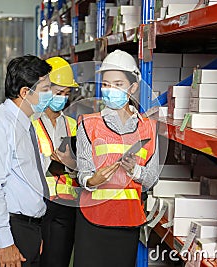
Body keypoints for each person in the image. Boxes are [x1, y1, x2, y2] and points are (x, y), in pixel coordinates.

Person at [74, 49, 161, 267]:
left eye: (118, 84)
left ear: (133, 87)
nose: (110, 90)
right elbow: (83, 171)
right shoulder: (88, 123)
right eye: (106, 84)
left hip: (127, 222)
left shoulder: (148, 128)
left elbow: (151, 180)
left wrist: (135, 170)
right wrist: (92, 181)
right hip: (92, 221)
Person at [0, 55, 53, 267]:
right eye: (45, 88)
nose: (51, 94)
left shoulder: (25, 123)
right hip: (10, 228)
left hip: (27, 229)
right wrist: (5, 242)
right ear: (25, 92)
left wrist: (34, 232)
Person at [32, 57, 79, 267]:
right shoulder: (30, 122)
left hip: (66, 205)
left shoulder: (72, 124)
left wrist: (71, 163)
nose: (62, 98)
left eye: (66, 94)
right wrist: (49, 160)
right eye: (58, 93)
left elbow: (81, 163)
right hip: (37, 202)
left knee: (58, 261)